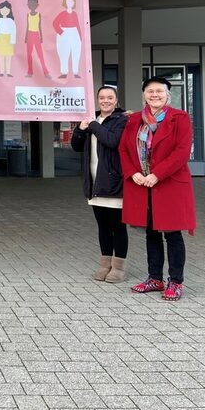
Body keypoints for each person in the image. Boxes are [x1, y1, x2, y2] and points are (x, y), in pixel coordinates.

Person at [119, 76, 196, 301]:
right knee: (151, 232)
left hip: (169, 183)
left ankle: (176, 281)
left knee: (172, 233)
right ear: (144, 94)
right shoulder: (134, 120)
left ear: (167, 95)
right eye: (150, 91)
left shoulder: (179, 118)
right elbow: (124, 149)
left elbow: (181, 153)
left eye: (159, 91)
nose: (155, 95)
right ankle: (155, 278)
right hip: (142, 184)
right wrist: (133, 172)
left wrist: (156, 174)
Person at [70, 86, 129, 282]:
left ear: (116, 100)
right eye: (102, 97)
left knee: (117, 227)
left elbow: (112, 141)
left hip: (113, 182)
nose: (105, 101)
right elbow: (76, 146)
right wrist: (80, 129)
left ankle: (118, 267)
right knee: (102, 227)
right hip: (94, 183)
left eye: (110, 97)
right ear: (97, 100)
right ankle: (105, 265)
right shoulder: (91, 119)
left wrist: (94, 125)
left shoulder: (122, 120)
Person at [52, 0, 83, 79]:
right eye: (68, 1)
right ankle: (64, 72)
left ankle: (75, 72)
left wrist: (80, 37)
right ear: (65, 2)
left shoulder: (75, 14)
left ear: (74, 3)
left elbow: (78, 25)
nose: (70, 3)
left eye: (71, 1)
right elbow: (55, 23)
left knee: (76, 52)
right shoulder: (62, 13)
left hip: (74, 33)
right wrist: (61, 32)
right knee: (63, 53)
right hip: (64, 32)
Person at [24, 0, 50, 78]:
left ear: (36, 5)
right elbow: (27, 26)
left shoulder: (38, 14)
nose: (31, 6)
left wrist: (41, 37)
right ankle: (30, 72)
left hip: (36, 34)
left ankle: (45, 72)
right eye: (30, 4)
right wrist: (26, 37)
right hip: (30, 35)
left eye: (33, 4)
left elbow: (39, 26)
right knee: (29, 54)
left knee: (40, 54)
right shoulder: (28, 15)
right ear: (28, 5)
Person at [0, 0, 17, 77]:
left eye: (6, 9)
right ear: (0, 10)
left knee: (8, 57)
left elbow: (14, 31)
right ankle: (1, 72)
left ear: (9, 10)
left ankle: (8, 72)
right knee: (1, 56)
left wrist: (12, 41)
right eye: (2, 9)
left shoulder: (11, 21)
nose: (4, 11)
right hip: (1, 40)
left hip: (8, 39)